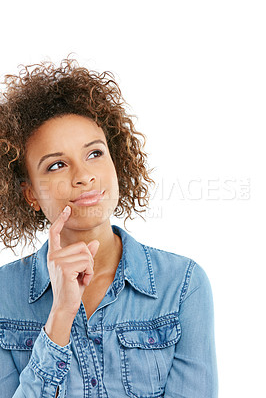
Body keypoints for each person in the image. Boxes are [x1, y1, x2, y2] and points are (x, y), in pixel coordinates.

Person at [0, 57, 218, 398]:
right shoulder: (3, 295)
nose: (84, 176)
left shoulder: (182, 285)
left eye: (94, 154)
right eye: (57, 165)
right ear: (30, 193)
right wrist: (60, 316)